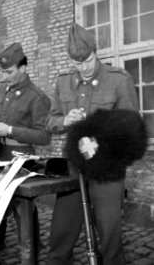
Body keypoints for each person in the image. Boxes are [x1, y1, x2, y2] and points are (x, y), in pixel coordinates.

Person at [45, 23, 139, 265]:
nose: (83, 68)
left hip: (107, 170)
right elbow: (50, 122)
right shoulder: (63, 82)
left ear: (96, 53)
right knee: (61, 232)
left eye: (88, 61)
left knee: (109, 234)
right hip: (74, 168)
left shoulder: (119, 80)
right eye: (77, 63)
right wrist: (65, 120)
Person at [0, 43, 51, 265]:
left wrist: (11, 131)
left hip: (22, 160)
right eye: (3, 72)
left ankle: (31, 254)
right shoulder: (1, 89)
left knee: (22, 210)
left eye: (9, 72)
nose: (5, 77)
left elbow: (44, 137)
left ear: (24, 68)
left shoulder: (37, 97)